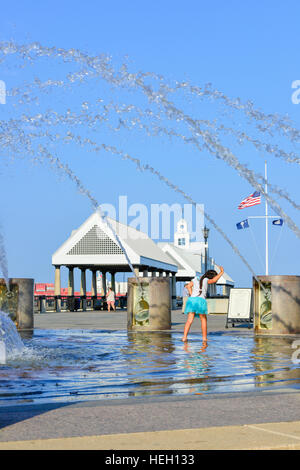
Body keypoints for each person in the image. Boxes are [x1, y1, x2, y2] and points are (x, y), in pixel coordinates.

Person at [182, 265, 224, 343]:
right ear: (210, 276)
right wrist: (221, 272)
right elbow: (214, 280)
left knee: (189, 320)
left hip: (192, 300)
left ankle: (184, 337)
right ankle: (204, 338)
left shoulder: (196, 278)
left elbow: (188, 286)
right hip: (200, 300)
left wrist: (191, 295)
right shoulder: (206, 280)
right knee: (203, 320)